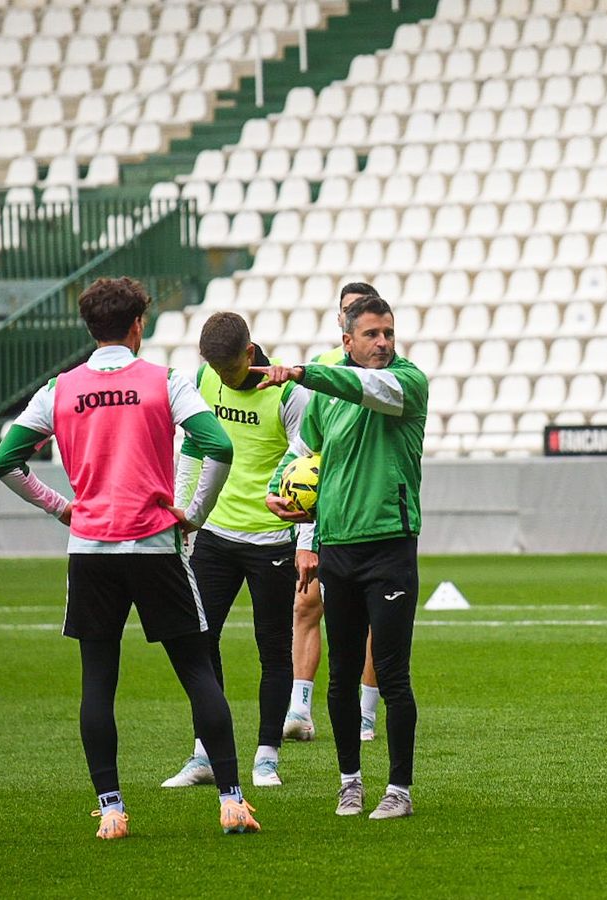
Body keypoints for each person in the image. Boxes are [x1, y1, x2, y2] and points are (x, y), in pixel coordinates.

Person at [0, 276, 260, 839]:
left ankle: (111, 809)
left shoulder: (58, 389)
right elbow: (220, 446)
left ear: (91, 328)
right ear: (137, 326)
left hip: (91, 548)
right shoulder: (165, 381)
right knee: (196, 669)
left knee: (98, 680)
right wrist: (194, 513)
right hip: (155, 543)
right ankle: (232, 800)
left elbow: (5, 461)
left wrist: (60, 507)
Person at [256, 293, 427, 820]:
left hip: (390, 544)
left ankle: (398, 788)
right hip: (338, 547)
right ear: (347, 340)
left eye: (389, 333)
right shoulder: (326, 395)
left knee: (393, 673)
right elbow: (301, 453)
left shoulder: (407, 382)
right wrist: (277, 489)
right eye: (372, 335)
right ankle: (349, 781)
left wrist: (303, 373)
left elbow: (362, 386)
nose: (383, 343)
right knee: (342, 671)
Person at [160, 312, 314, 789]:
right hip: (215, 534)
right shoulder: (205, 377)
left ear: (250, 354)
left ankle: (267, 756)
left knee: (272, 650)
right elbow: (193, 447)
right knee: (199, 641)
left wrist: (306, 542)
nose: (224, 380)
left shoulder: (291, 394)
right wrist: (184, 514)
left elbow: (310, 470)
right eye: (217, 372)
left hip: (270, 539)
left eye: (231, 371)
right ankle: (204, 754)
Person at [282, 282, 384, 745]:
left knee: (372, 619)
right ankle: (299, 709)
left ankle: (366, 711)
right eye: (347, 312)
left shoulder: (388, 372)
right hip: (327, 513)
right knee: (306, 603)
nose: (352, 316)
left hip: (372, 514)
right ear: (341, 324)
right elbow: (306, 454)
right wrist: (305, 536)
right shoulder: (320, 370)